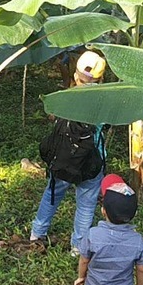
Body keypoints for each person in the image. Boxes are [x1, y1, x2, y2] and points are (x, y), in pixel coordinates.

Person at [31, 50, 108, 254]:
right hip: (92, 161)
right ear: (101, 80)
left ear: (76, 76)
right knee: (86, 205)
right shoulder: (106, 101)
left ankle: (37, 233)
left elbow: (53, 117)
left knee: (52, 194)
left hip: (64, 158)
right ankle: (78, 248)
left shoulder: (65, 98)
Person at [74, 173, 143, 285]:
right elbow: (142, 268)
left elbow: (84, 260)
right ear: (134, 214)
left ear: (103, 211)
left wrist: (81, 277)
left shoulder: (92, 235)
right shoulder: (137, 241)